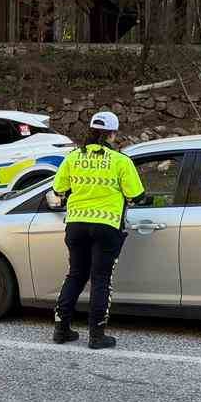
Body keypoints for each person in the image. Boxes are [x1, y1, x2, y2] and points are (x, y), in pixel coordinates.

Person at [49, 110, 144, 349]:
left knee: (75, 274)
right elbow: (136, 195)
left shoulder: (72, 158)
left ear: (90, 131)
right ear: (112, 134)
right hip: (106, 226)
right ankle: (96, 336)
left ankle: (61, 330)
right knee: (101, 279)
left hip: (76, 225)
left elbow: (59, 189)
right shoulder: (121, 161)